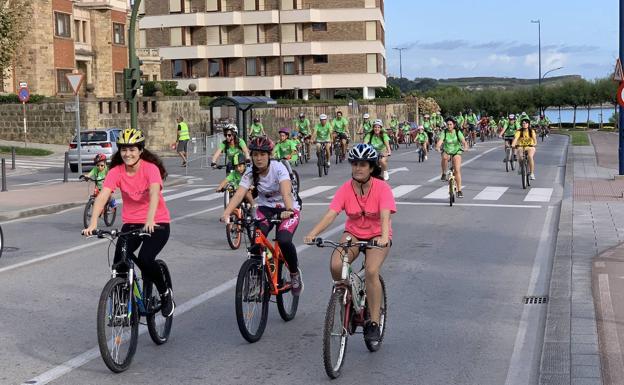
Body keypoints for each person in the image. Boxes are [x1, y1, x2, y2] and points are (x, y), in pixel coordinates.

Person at [303, 143, 395, 343]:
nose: (358, 168)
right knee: (336, 265)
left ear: (371, 167)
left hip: (378, 235)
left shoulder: (382, 188)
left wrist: (384, 237)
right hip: (352, 233)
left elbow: (385, 216)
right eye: (354, 164)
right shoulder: (345, 189)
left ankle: (373, 322)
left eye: (363, 164)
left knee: (371, 271)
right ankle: (349, 300)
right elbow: (331, 214)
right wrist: (312, 233)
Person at [82, 128, 175, 317]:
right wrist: (93, 223)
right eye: (124, 149)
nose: (127, 154)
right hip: (132, 223)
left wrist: (150, 219)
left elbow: (154, 194)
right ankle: (122, 303)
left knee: (147, 259)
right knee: (120, 263)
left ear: (141, 150)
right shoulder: (116, 171)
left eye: (132, 149)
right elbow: (103, 197)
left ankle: (165, 293)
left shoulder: (150, 169)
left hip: (157, 223)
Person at [221, 136, 303, 295]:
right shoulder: (250, 171)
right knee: (256, 241)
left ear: (269, 155)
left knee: (284, 240)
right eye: (255, 154)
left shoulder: (279, 168)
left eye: (262, 155)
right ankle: (257, 278)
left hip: (288, 208)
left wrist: (288, 210)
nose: (258, 158)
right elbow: (239, 195)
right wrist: (226, 213)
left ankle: (294, 274)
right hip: (266, 208)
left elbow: (286, 192)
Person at [436, 117, 468, 198]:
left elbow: (464, 141)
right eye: (448, 124)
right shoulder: (444, 132)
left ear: (453, 125)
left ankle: (459, 190)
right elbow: (440, 141)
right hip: (447, 151)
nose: (449, 126)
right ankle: (443, 173)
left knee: (457, 170)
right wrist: (438, 147)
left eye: (451, 124)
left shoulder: (457, 132)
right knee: (444, 157)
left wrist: (466, 147)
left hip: (456, 151)